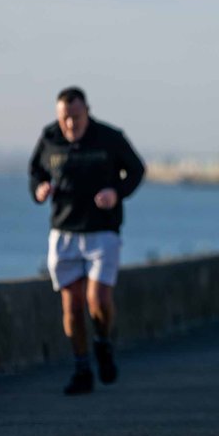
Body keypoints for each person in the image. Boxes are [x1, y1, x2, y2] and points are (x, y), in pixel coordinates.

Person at [29, 87, 145, 395]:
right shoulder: (49, 138)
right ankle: (82, 369)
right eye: (64, 118)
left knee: (98, 299)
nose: (70, 125)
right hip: (64, 232)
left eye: (76, 118)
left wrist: (116, 193)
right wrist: (39, 189)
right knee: (72, 306)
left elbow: (136, 170)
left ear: (87, 112)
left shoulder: (109, 137)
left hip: (102, 231)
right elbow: (35, 172)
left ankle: (103, 343)